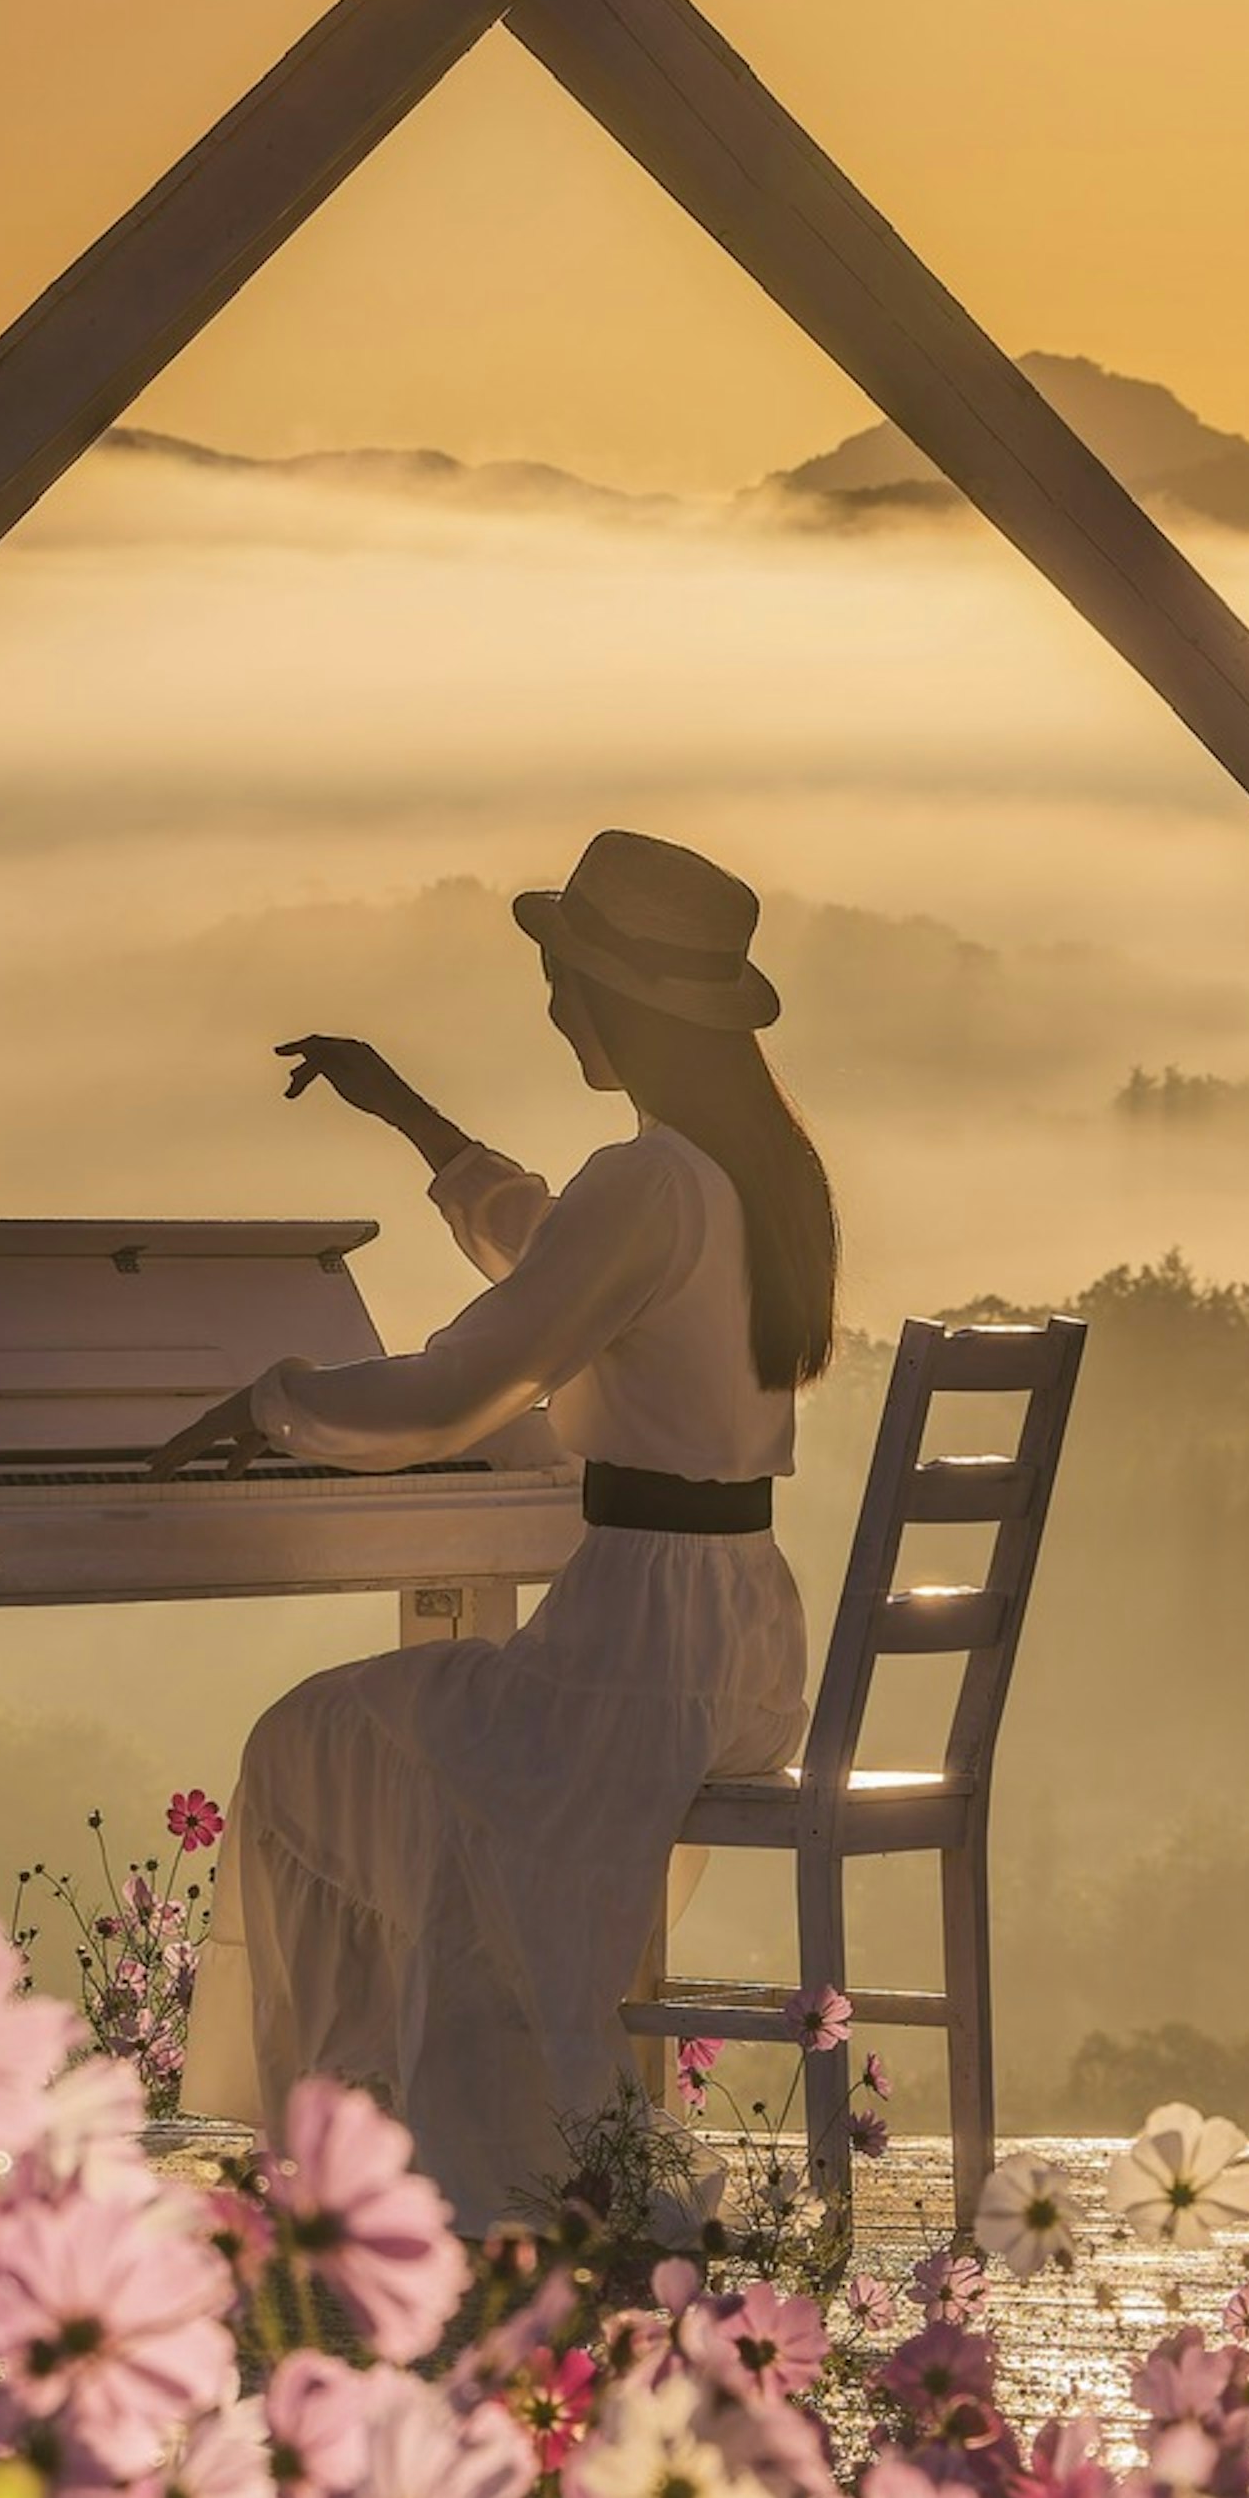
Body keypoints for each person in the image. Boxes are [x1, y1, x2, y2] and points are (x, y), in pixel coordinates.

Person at [165, 828, 832, 2222]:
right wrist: (411, 1115)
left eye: (564, 978)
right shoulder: (743, 1171)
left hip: (637, 1645)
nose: (551, 1004)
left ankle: (387, 2144)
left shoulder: (649, 1179)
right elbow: (556, 1260)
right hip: (745, 1639)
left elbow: (469, 1381)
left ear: (619, 999)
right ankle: (433, 2130)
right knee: (443, 1778)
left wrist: (274, 1403)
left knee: (311, 1746)